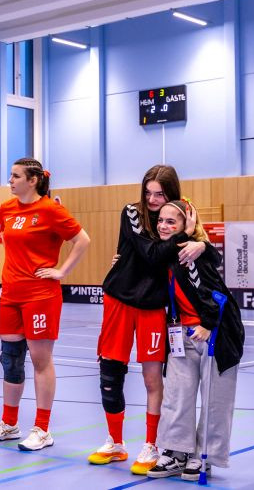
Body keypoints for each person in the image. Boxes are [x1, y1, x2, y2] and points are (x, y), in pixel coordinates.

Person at [88, 165, 205, 475]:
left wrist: (200, 243)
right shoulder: (132, 213)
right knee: (110, 374)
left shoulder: (180, 215)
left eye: (160, 194)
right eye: (148, 192)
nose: (152, 200)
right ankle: (115, 443)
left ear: (172, 194)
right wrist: (182, 235)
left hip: (153, 306)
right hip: (119, 300)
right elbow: (151, 254)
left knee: (153, 379)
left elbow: (198, 246)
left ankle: (152, 444)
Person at [0, 159, 90, 451]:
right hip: (10, 294)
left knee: (41, 361)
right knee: (10, 360)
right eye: (10, 175)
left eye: (15, 176)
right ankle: (9, 424)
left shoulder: (51, 210)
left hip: (40, 295)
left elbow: (82, 240)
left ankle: (42, 429)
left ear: (33, 180)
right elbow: (8, 240)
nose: (10, 180)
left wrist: (61, 271)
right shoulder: (6, 208)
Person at [147, 200, 244, 481]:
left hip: (216, 335)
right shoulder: (166, 253)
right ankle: (176, 452)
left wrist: (208, 323)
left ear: (187, 224)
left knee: (215, 401)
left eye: (171, 222)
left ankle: (205, 457)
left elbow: (213, 292)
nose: (163, 226)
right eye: (160, 220)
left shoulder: (193, 251)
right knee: (177, 396)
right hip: (181, 335)